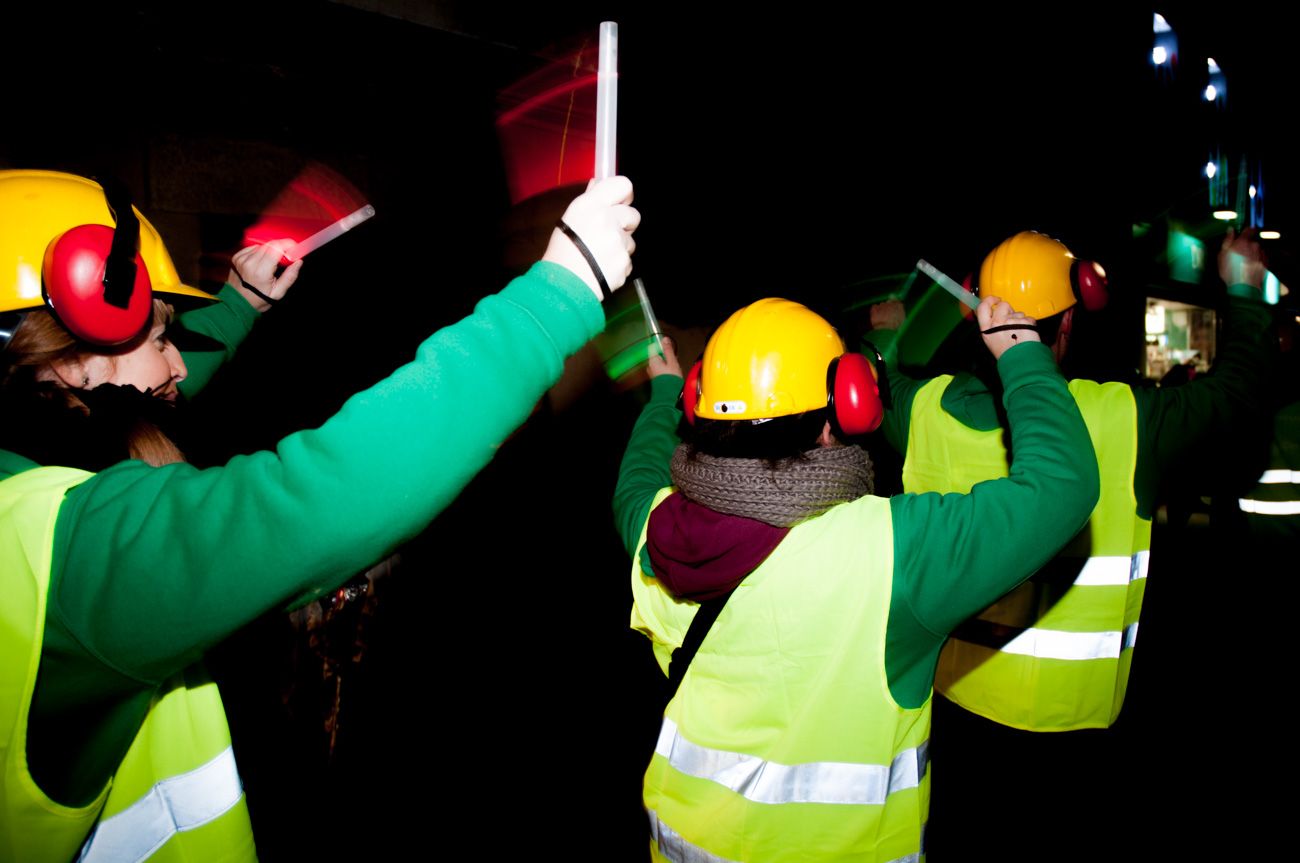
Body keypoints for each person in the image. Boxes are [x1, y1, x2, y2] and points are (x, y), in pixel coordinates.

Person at [0, 168, 638, 861]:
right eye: (159, 338)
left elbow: (140, 391)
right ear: (68, 359)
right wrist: (556, 296)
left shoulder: (24, 479)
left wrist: (241, 302)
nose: (179, 364)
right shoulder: (79, 551)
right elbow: (321, 493)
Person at [613, 294, 1098, 862]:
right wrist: (1022, 352)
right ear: (846, 406)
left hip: (685, 845)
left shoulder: (660, 529)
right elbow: (1062, 487)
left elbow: (636, 480)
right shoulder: (895, 552)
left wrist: (664, 393)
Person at [868, 228, 1274, 733]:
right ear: (1067, 321)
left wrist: (886, 332)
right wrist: (1245, 286)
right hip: (1068, 722)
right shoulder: (1126, 421)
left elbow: (873, 383)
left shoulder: (922, 410)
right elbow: (1238, 396)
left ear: (976, 314)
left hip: (949, 707)